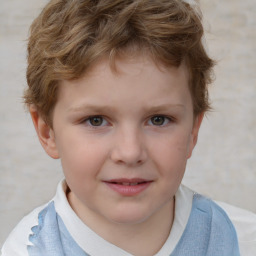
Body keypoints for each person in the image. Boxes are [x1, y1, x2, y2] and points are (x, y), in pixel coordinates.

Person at [1, 0, 256, 255]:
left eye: (158, 119)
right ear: (48, 132)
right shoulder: (24, 250)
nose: (130, 152)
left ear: (193, 131)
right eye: (96, 120)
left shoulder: (245, 241)